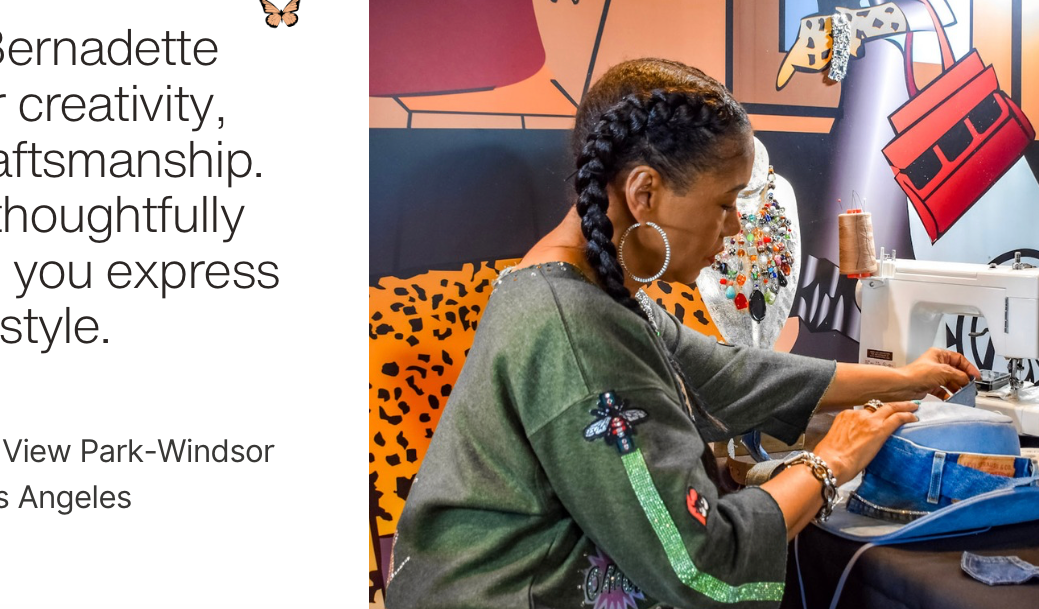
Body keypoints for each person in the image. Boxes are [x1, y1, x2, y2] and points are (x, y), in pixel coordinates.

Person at [383, 58, 977, 609]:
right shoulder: (576, 327)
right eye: (725, 203)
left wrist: (904, 380)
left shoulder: (592, 292)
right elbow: (700, 562)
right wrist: (831, 461)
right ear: (644, 193)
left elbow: (727, 374)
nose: (736, 226)